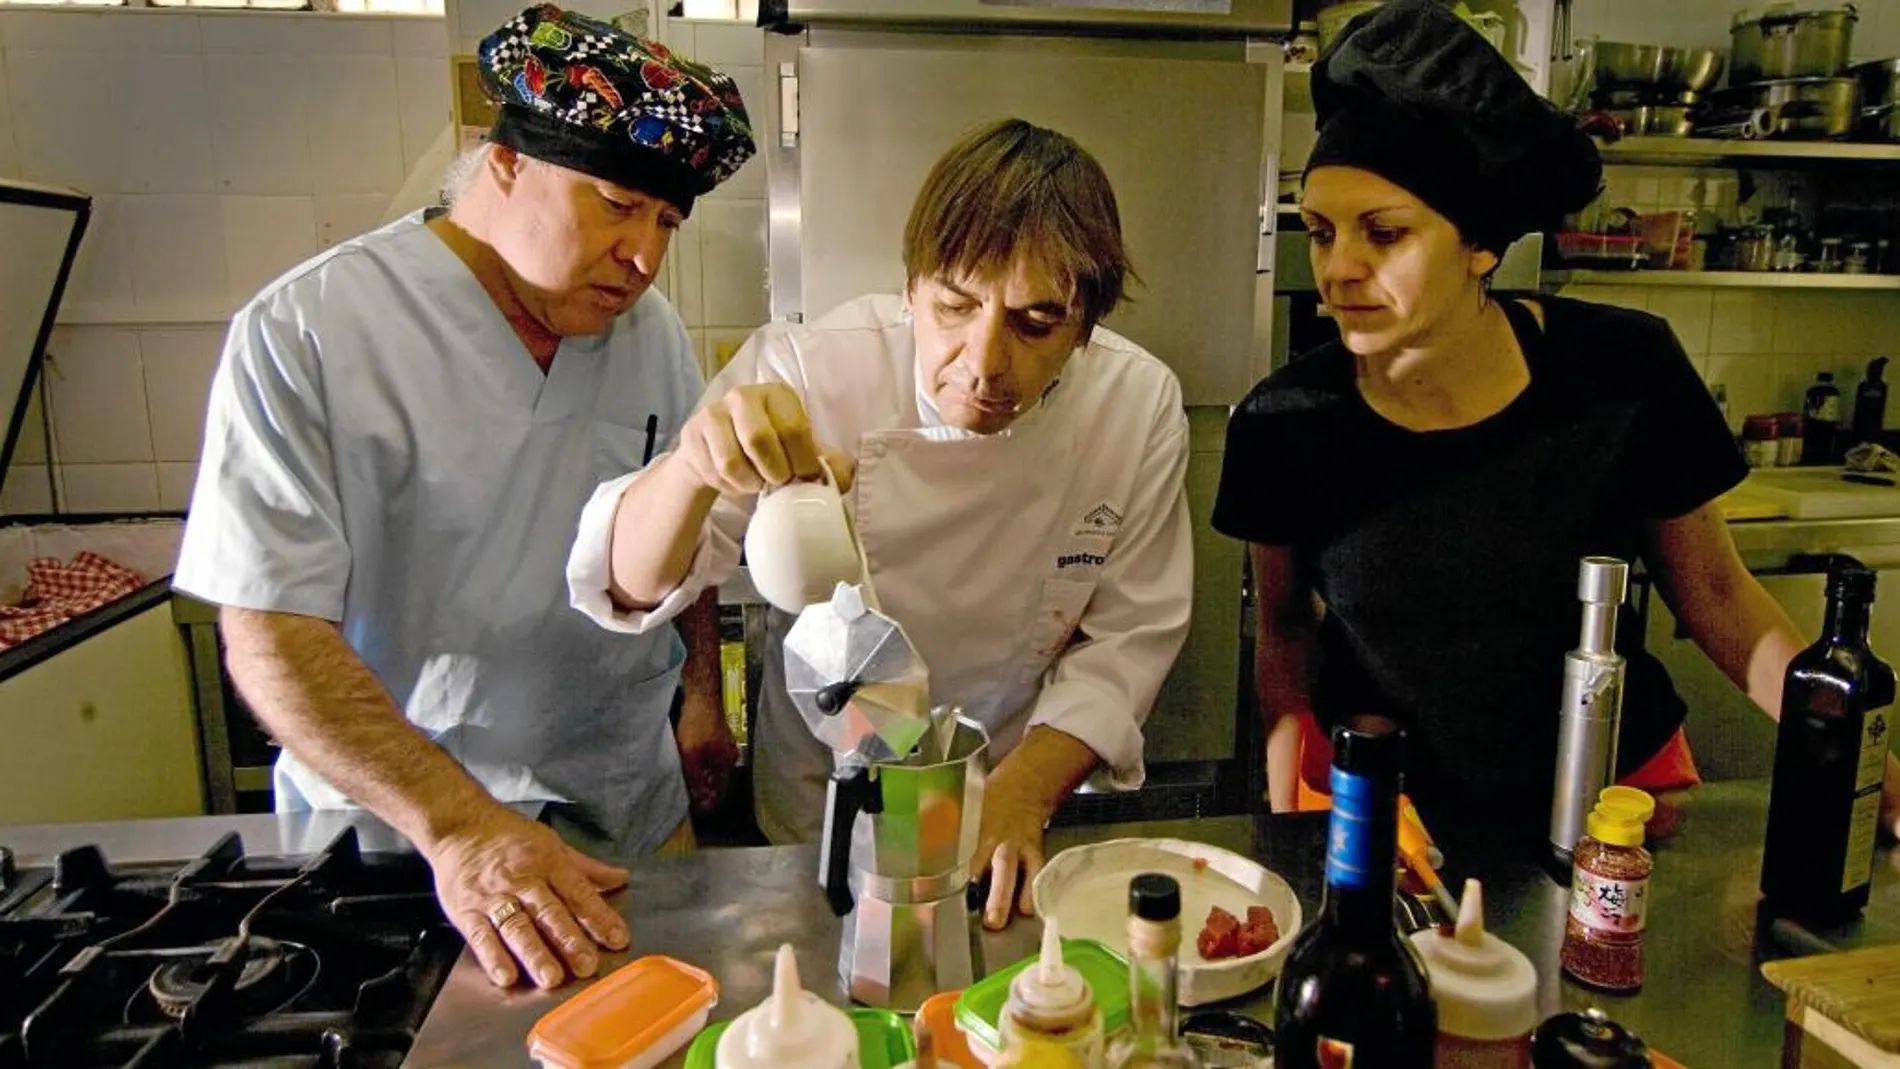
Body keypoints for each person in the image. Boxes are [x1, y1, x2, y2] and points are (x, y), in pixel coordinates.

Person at [1211, 0, 1900, 838]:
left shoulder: (1620, 371)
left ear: (1481, 246)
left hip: (1615, 792)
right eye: (1321, 233)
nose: (1338, 268)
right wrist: (1296, 820)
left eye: (1384, 234)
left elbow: (1718, 594)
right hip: (1381, 804)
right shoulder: (1284, 421)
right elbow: (1285, 634)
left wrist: (1860, 758)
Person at [172, 4, 756, 991]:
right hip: (407, 843)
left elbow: (676, 528)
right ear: (506, 164)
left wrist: (700, 693)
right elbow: (272, 636)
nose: (646, 258)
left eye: (665, 223)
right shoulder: (310, 333)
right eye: (617, 206)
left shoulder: (649, 332)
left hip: (625, 818)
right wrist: (464, 829)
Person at [567, 118, 1194, 928]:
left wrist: (1020, 794)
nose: (983, 360)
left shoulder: (1137, 406)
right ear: (910, 289)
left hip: (1004, 791)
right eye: (955, 305)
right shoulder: (808, 368)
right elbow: (625, 582)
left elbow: (1130, 637)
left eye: (1036, 323)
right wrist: (692, 465)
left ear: (1088, 324)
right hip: (822, 801)